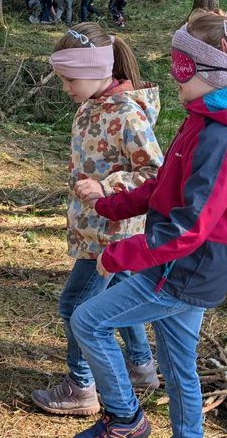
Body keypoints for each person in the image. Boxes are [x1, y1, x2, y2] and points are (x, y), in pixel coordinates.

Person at [68, 9, 227, 438]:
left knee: (88, 320)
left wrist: (122, 254)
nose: (170, 71)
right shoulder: (204, 118)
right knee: (178, 362)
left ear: (207, 71)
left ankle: (125, 417)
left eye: (180, 65)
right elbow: (165, 186)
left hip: (185, 268)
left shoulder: (223, 137)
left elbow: (190, 224)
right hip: (188, 264)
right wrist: (113, 207)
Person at [31, 24, 163, 416]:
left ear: (95, 70)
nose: (66, 87)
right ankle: (140, 366)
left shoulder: (126, 115)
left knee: (75, 305)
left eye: (70, 78)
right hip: (95, 228)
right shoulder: (93, 104)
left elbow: (154, 174)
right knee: (120, 295)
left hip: (111, 231)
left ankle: (81, 386)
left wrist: (108, 187)